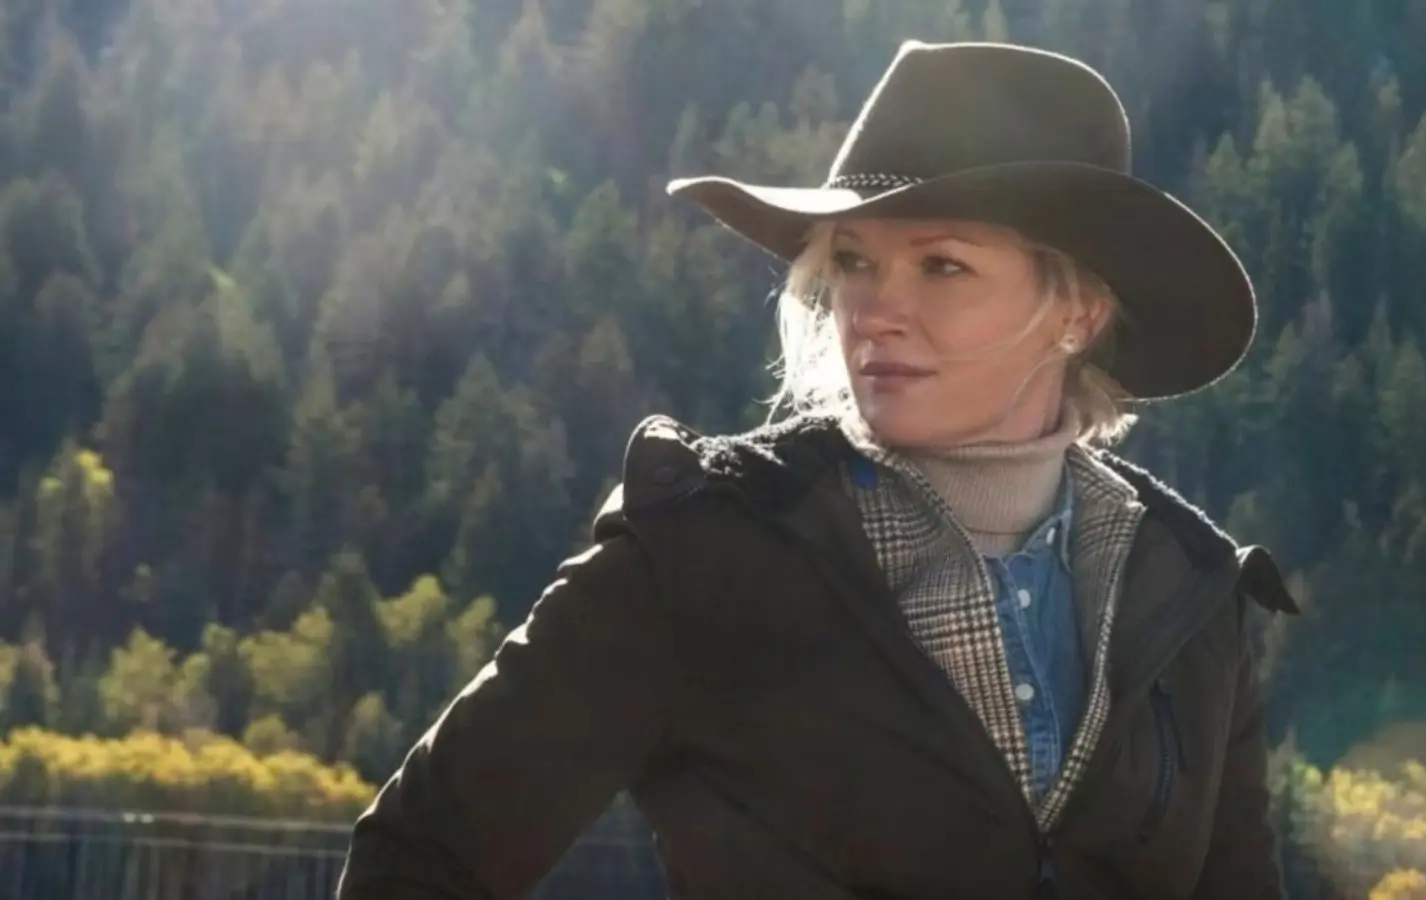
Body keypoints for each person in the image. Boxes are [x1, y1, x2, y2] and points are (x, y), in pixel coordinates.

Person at [336, 39, 1300, 900]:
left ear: (1077, 311)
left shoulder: (1190, 594)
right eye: (851, 262)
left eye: (942, 266)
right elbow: (421, 857)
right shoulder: (705, 548)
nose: (875, 310)